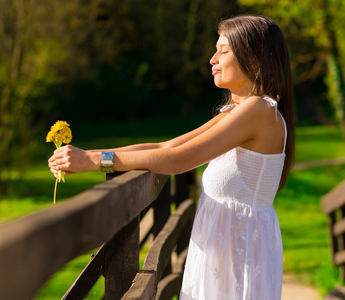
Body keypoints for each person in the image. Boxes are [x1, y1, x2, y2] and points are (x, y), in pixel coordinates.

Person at [49, 14, 295, 300]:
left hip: (239, 252)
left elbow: (180, 160)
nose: (213, 59)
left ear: (254, 60)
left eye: (224, 50)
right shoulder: (239, 111)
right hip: (224, 249)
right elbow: (165, 147)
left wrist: (95, 162)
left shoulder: (259, 111)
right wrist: (89, 156)